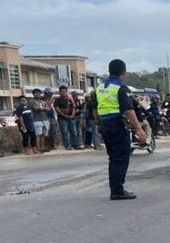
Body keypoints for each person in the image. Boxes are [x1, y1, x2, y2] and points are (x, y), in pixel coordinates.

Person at [93, 59, 147, 200]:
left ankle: (115, 188)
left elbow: (94, 108)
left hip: (105, 124)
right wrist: (139, 129)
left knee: (113, 158)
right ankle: (117, 190)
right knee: (121, 158)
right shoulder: (121, 87)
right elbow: (129, 110)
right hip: (116, 124)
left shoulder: (99, 88)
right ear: (124, 72)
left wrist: (99, 124)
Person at [54, 85, 80, 150]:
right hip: (62, 118)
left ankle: (75, 145)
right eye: (62, 91)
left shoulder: (70, 99)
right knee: (65, 132)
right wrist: (65, 115)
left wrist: (72, 115)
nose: (64, 92)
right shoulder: (57, 100)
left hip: (71, 118)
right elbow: (57, 110)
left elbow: (73, 108)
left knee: (74, 132)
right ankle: (67, 146)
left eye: (65, 91)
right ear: (59, 92)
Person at [29, 89, 51, 154]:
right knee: (38, 135)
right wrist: (43, 109)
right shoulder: (32, 101)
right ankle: (38, 148)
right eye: (36, 93)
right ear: (33, 94)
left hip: (45, 119)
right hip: (36, 120)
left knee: (43, 134)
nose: (37, 94)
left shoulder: (43, 101)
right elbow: (37, 109)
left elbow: (48, 109)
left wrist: (43, 109)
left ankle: (42, 147)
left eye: (39, 93)